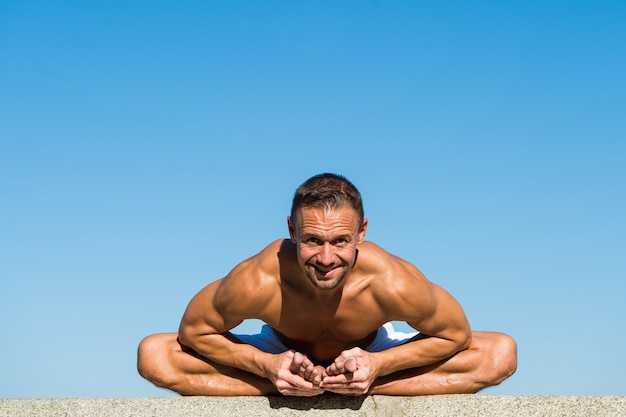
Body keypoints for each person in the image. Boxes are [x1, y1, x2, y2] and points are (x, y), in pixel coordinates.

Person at [137, 173, 517, 396]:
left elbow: (455, 335)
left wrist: (378, 365)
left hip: (371, 354)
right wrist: (266, 364)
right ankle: (287, 385)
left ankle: (347, 388)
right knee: (155, 354)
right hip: (280, 352)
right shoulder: (259, 278)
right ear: (291, 230)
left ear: (361, 233)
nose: (326, 259)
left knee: (499, 353)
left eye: (340, 241)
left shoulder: (391, 281)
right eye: (313, 240)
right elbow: (193, 332)